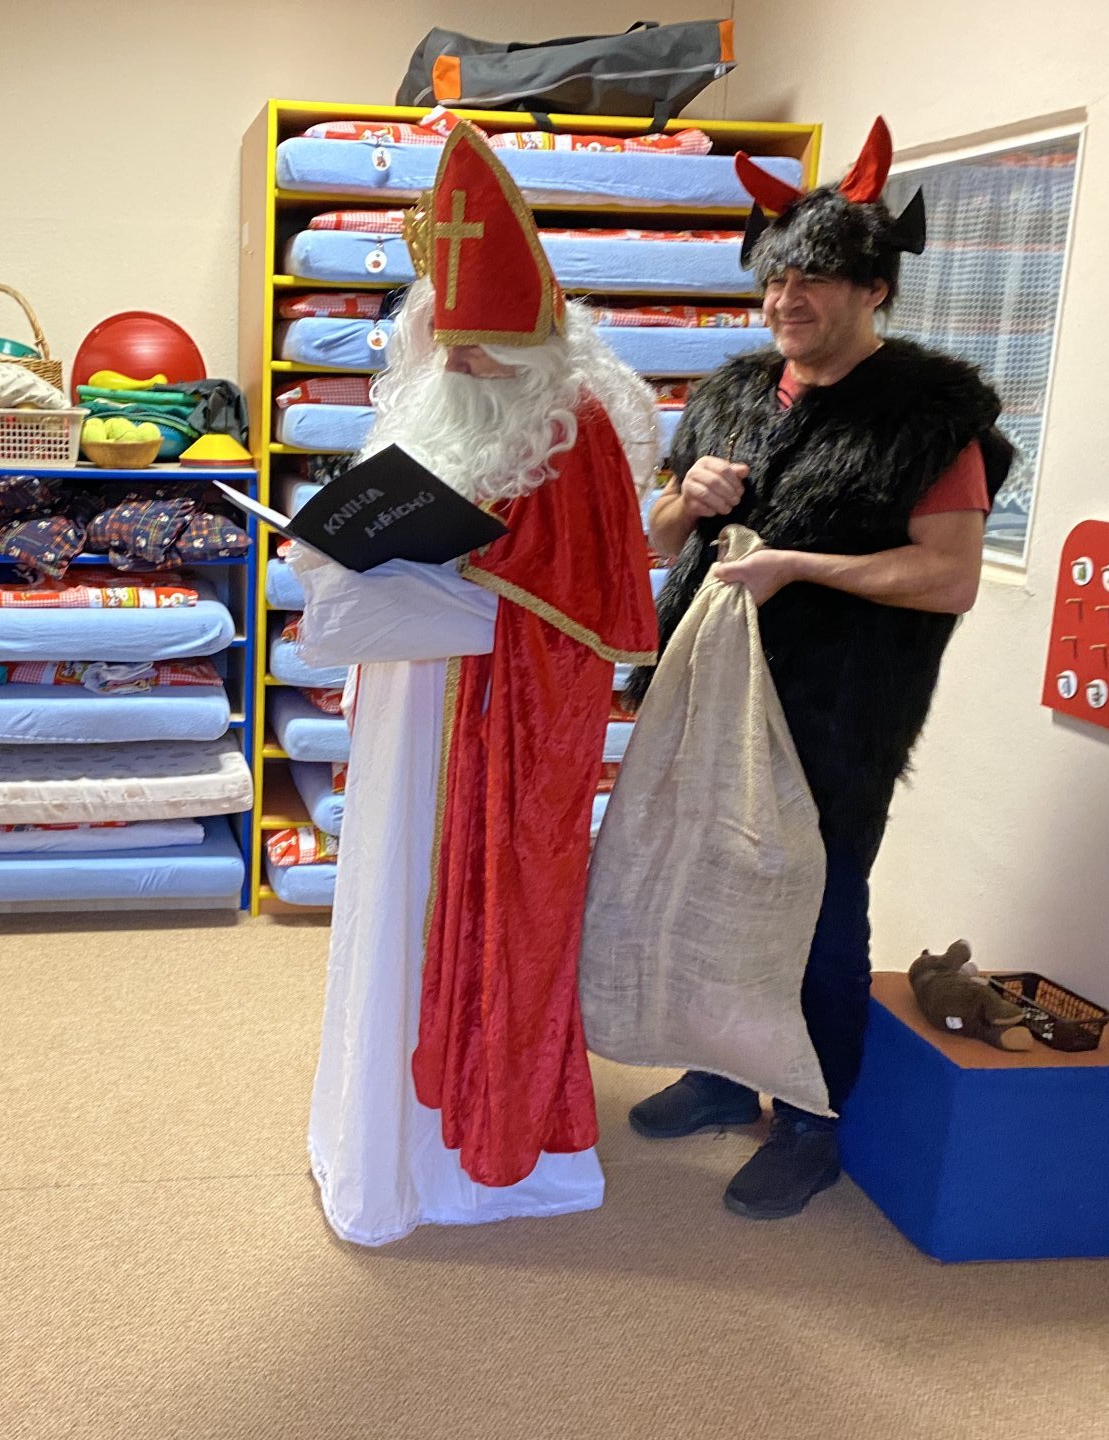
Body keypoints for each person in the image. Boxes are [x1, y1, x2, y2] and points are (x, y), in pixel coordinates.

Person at [629, 118, 1014, 1220]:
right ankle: (720, 1073)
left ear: (874, 287)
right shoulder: (731, 394)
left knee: (818, 916)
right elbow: (656, 537)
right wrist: (682, 501)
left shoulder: (931, 418)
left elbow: (948, 576)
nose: (785, 298)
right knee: (706, 888)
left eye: (813, 279)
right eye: (775, 278)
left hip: (839, 710)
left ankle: (813, 1120)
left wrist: (801, 566)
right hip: (708, 693)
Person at [291, 122, 661, 1246]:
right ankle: (386, 1134)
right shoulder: (431, 404)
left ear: (541, 341)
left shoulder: (576, 429)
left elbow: (585, 609)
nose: (460, 372)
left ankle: (476, 1157)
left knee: (486, 923)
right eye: (449, 350)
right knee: (395, 910)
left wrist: (451, 585)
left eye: (485, 354)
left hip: (498, 729)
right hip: (415, 711)